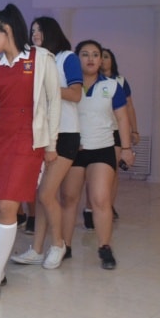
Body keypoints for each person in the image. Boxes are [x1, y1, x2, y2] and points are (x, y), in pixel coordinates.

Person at [0, 4, 60, 299]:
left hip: (28, 142)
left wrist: (52, 144)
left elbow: (54, 102)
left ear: (7, 30)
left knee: (8, 205)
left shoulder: (41, 58)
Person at [11, 16, 82, 269]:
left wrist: (48, 88)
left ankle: (59, 244)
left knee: (46, 193)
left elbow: (76, 94)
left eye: (39, 30)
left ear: (51, 32)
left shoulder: (66, 58)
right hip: (42, 134)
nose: (35, 34)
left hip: (66, 133)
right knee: (41, 195)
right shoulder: (36, 61)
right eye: (32, 31)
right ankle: (37, 249)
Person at [60, 40, 134, 269]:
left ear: (101, 59)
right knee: (69, 198)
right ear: (77, 58)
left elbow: (122, 118)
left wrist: (126, 148)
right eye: (85, 54)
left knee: (100, 199)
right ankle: (64, 246)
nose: (91, 59)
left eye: (95, 54)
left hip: (102, 149)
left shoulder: (112, 86)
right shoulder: (68, 87)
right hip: (74, 150)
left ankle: (105, 247)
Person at [101, 47, 138, 219]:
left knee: (113, 170)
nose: (102, 60)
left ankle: (109, 204)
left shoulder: (120, 81)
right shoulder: (91, 80)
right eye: (100, 56)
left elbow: (129, 107)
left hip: (116, 130)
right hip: (98, 129)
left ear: (112, 60)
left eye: (106, 56)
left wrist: (134, 130)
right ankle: (93, 206)